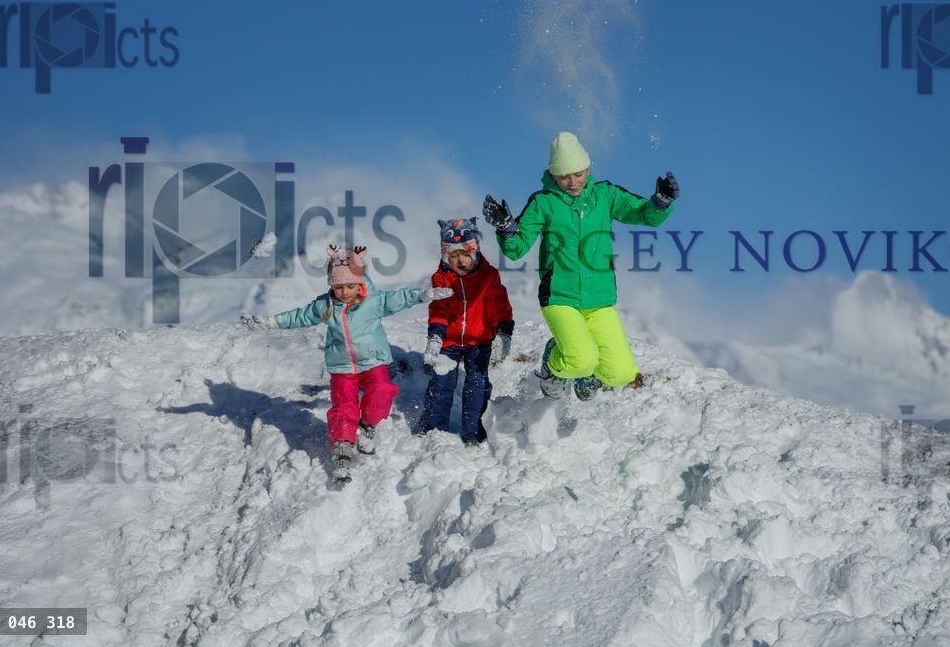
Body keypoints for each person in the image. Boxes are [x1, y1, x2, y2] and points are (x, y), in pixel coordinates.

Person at [482, 132, 679, 400]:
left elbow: (643, 214)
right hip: (560, 297)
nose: (572, 182)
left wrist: (661, 203)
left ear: (588, 168)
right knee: (579, 359)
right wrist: (506, 228)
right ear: (553, 175)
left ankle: (588, 378)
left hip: (600, 300)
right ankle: (553, 364)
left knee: (621, 373)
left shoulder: (605, 194)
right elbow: (516, 248)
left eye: (578, 174)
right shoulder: (543, 203)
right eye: (564, 176)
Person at [240, 245, 453, 487]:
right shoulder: (326, 306)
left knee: (383, 390)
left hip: (372, 360)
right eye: (338, 287)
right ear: (331, 285)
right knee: (344, 405)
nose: (344, 292)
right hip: (342, 366)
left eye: (350, 286)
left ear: (359, 282)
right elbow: (298, 316)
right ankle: (342, 444)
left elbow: (398, 299)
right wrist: (270, 322)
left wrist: (422, 295)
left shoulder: (373, 300)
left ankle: (367, 425)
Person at [419, 218, 514, 445]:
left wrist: (504, 332)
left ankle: (474, 433)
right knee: (441, 384)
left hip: (479, 341)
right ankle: (434, 429)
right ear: (445, 256)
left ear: (475, 251)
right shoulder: (441, 278)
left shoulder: (488, 276)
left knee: (477, 385)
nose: (460, 260)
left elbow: (499, 305)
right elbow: (439, 309)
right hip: (448, 341)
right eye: (453, 255)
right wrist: (435, 337)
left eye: (465, 254)